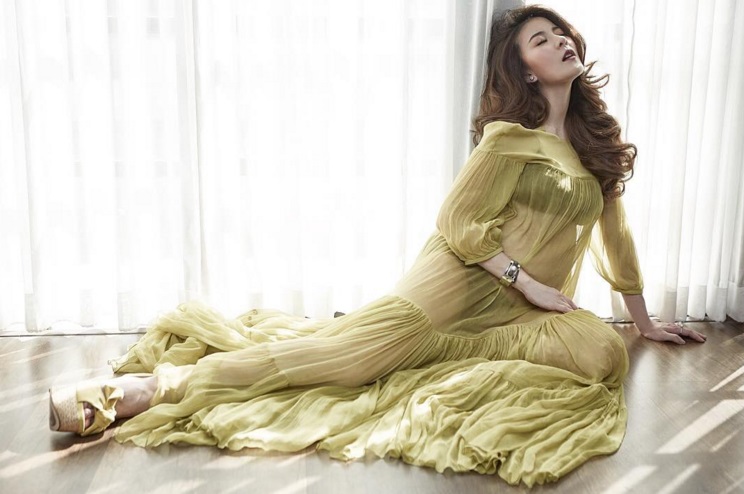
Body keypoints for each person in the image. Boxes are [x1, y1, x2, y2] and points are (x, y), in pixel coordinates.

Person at [49, 5, 706, 487]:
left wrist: (644, 323)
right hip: (453, 291)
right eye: (542, 39)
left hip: (517, 319)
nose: (560, 41)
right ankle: (144, 390)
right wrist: (529, 282)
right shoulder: (509, 138)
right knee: (339, 363)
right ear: (526, 72)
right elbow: (458, 222)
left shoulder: (592, 146)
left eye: (562, 33)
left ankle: (437, 365)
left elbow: (617, 237)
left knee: (600, 354)